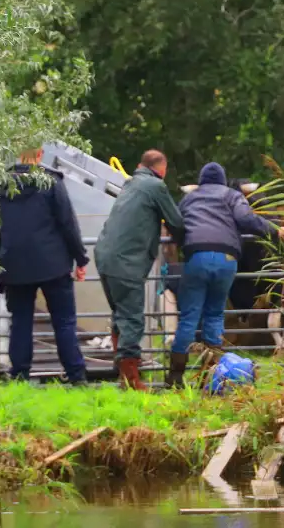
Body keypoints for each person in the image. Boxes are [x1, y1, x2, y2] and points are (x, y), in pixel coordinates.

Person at [166, 163, 284, 388]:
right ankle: (212, 373)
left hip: (197, 257)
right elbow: (246, 219)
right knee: (216, 314)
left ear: (202, 180)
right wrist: (276, 230)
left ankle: (175, 377)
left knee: (189, 316)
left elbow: (175, 223)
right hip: (227, 259)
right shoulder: (232, 195)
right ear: (223, 180)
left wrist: (184, 241)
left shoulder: (189, 199)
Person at [0, 148, 89, 385]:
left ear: (20, 154)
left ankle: (19, 376)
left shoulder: (2, 185)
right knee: (64, 322)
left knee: (20, 321)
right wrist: (80, 259)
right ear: (40, 154)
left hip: (14, 266)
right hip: (53, 263)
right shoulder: (51, 182)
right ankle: (76, 376)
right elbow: (68, 224)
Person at [95, 150, 185, 391]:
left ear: (139, 165)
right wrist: (188, 244)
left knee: (120, 315)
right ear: (162, 170)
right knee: (132, 318)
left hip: (104, 257)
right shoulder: (155, 186)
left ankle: (122, 372)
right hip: (126, 262)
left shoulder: (131, 183)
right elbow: (176, 222)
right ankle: (130, 380)